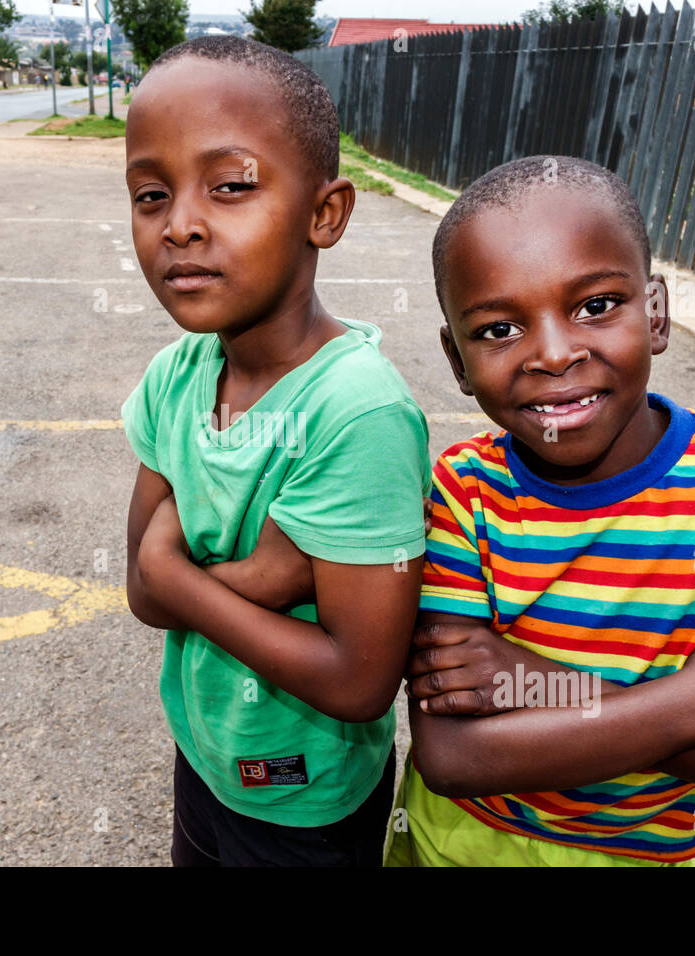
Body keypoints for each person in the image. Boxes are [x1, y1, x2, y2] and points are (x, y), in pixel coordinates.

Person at [386, 156, 695, 867]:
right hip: (452, 840)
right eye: (497, 329)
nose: (554, 354)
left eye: (594, 305)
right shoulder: (466, 489)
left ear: (656, 314)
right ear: (456, 362)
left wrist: (541, 682)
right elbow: (456, 757)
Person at [123, 36, 430, 868]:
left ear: (324, 213)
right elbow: (140, 596)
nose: (180, 223)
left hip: (306, 801)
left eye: (230, 187)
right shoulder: (175, 375)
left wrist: (180, 571)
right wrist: (253, 581)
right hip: (205, 755)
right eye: (151, 194)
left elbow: (359, 680)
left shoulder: (356, 412)